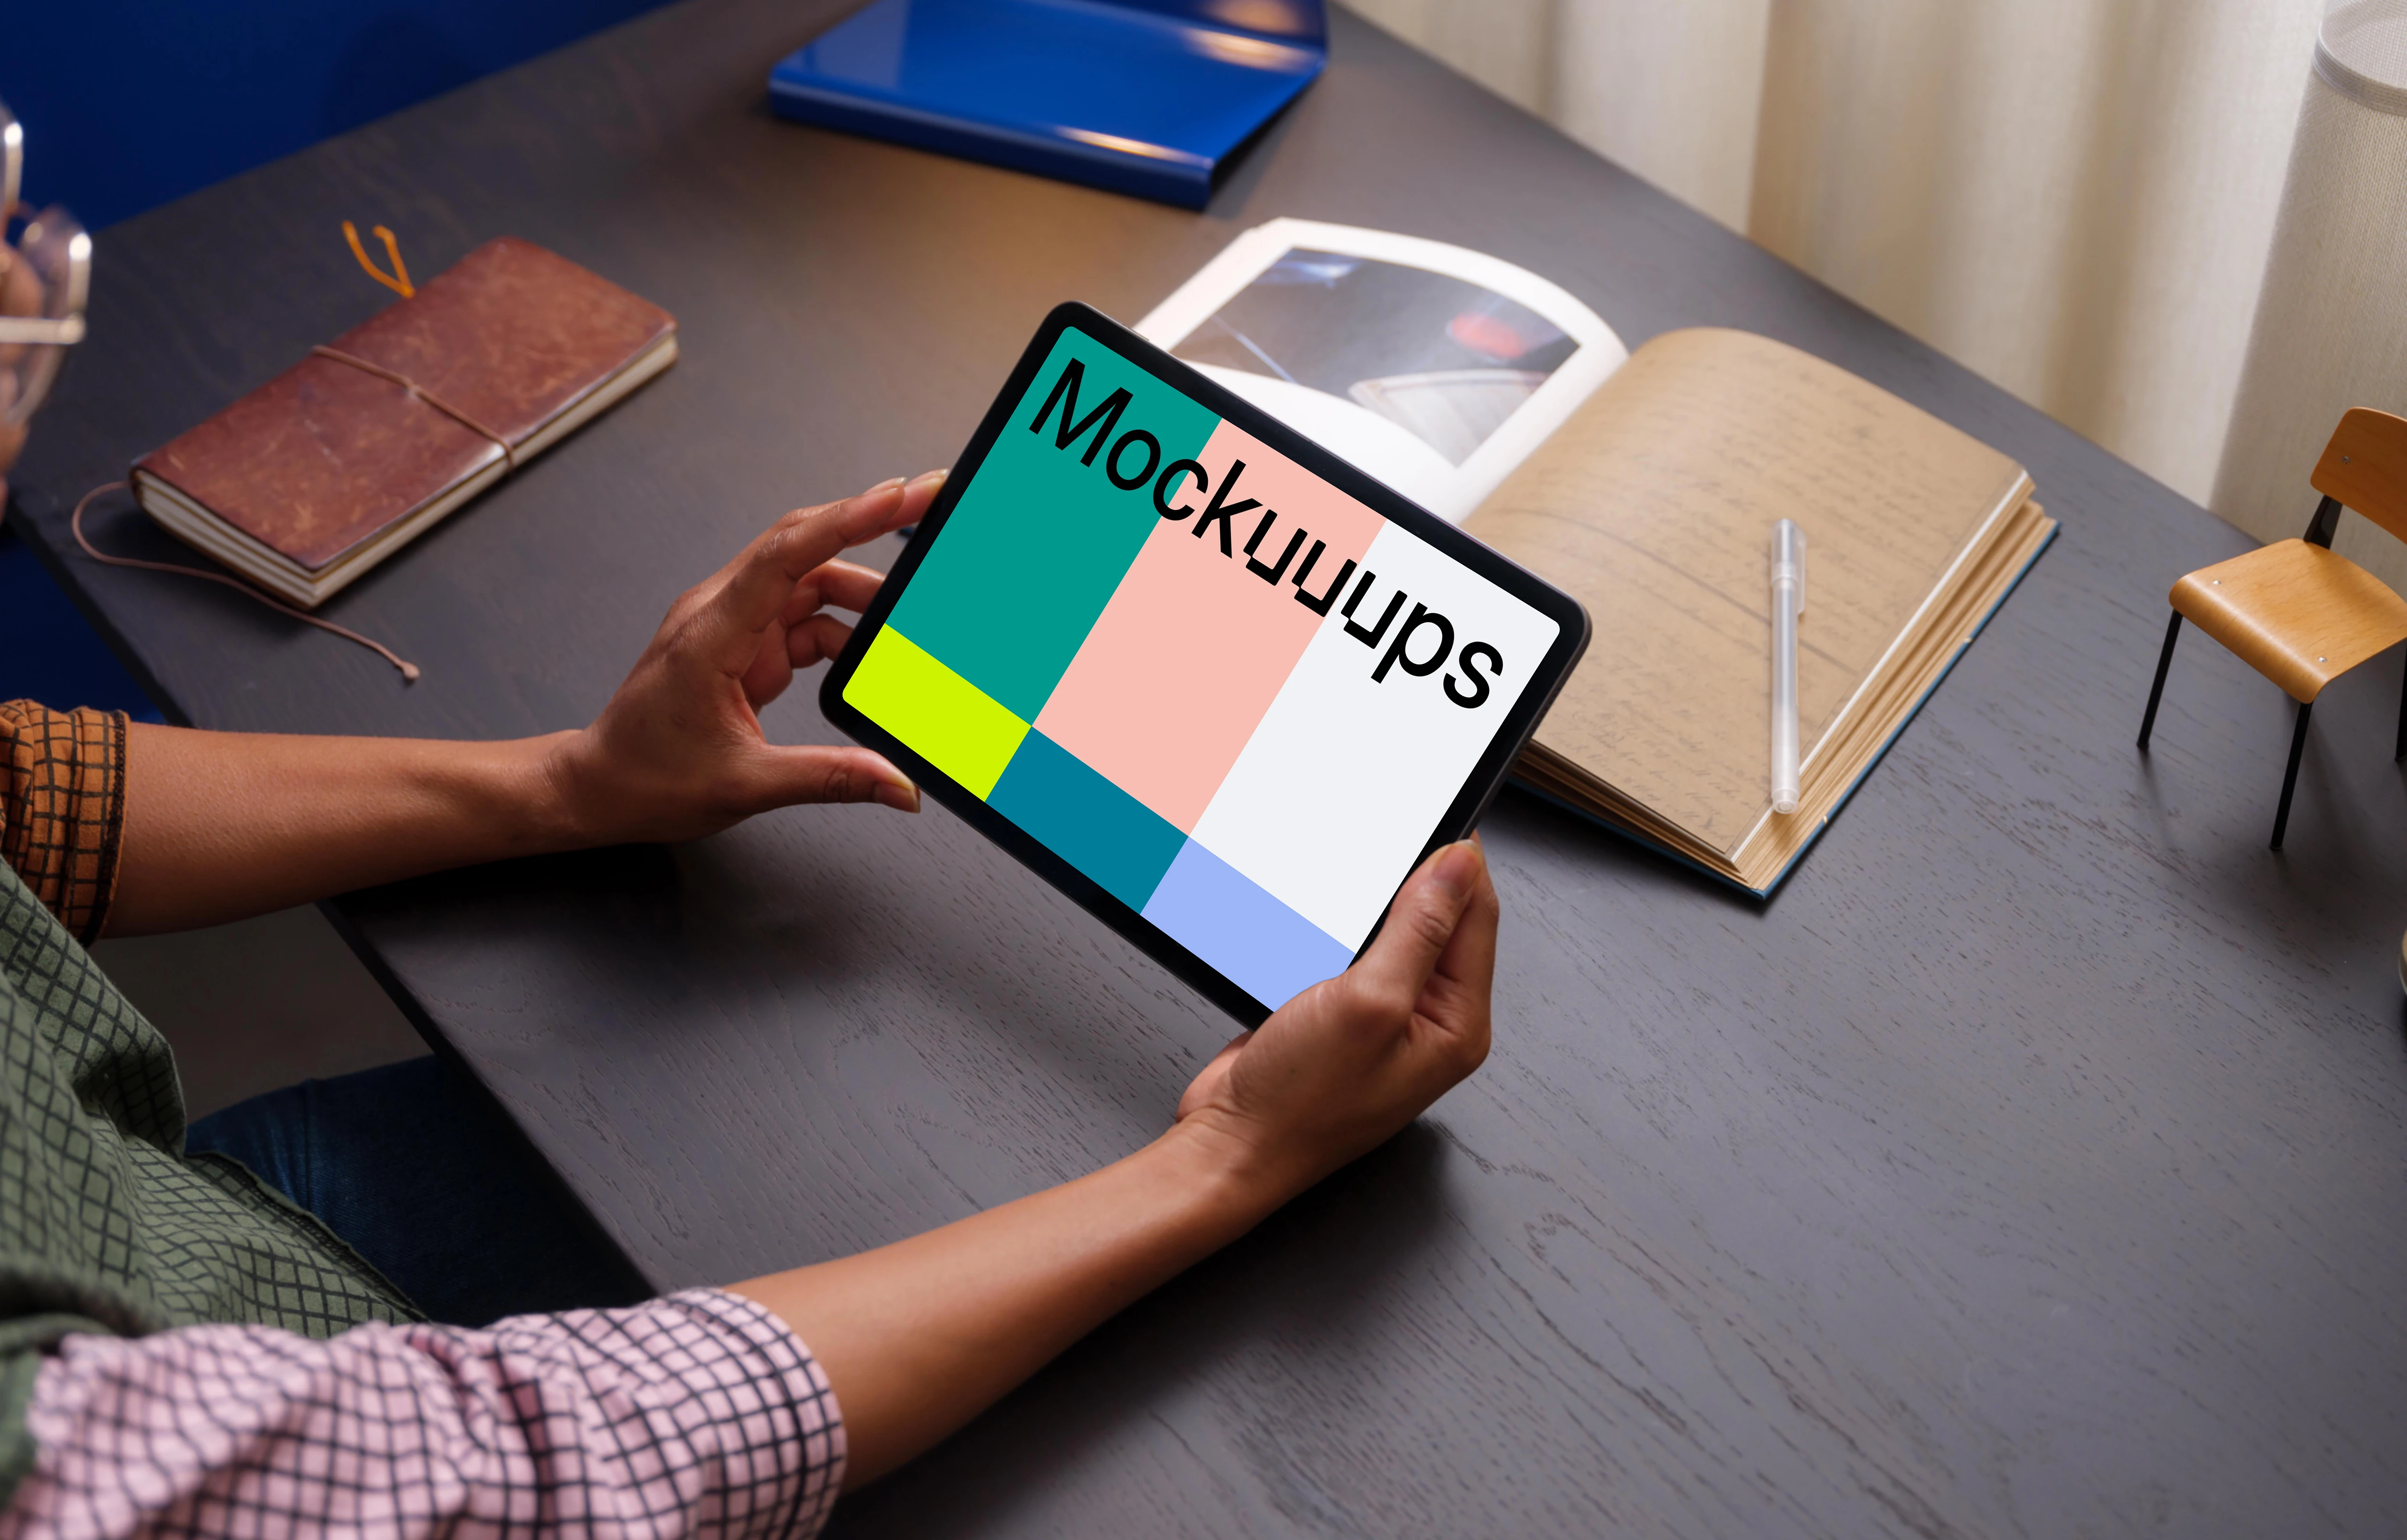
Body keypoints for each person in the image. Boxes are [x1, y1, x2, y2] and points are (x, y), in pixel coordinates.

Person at [0, 456, 1501, 1532]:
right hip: (335, 1403)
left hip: (157, 1219)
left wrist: (575, 785)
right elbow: (524, 1480)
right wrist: (1230, 1154)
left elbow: (16, 803)